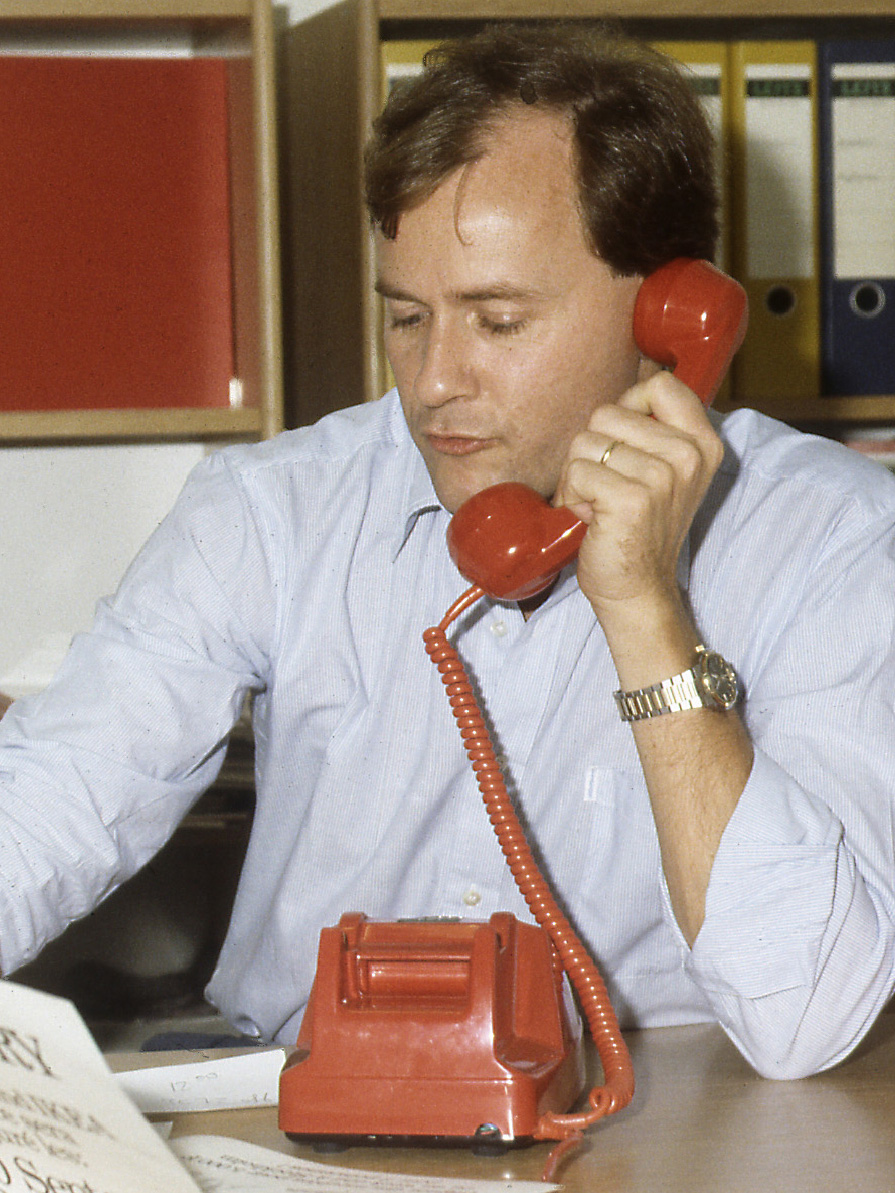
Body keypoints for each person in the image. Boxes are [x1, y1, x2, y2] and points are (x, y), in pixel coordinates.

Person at [2, 22, 894, 1082]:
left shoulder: (831, 537)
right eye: (410, 317)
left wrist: (647, 611)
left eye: (498, 320)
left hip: (647, 1138)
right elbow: (57, 797)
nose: (432, 381)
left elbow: (808, 1011)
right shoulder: (271, 510)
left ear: (670, 313)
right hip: (299, 1126)